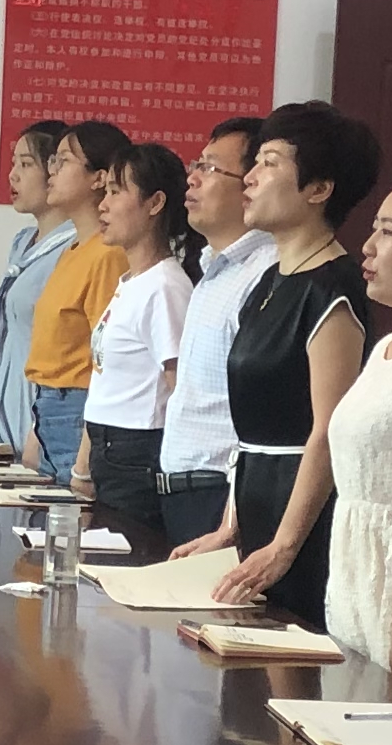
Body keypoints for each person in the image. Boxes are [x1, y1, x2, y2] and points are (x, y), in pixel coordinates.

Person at [234, 168, 392, 693]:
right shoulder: (386, 348)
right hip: (358, 587)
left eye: (389, 232)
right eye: (373, 229)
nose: (368, 248)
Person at [205, 101, 376, 628]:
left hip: (303, 519)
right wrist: (230, 527)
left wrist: (284, 545)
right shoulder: (269, 281)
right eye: (254, 162)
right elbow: (253, 429)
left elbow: (327, 429)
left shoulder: (332, 288)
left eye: (270, 163)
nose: (250, 178)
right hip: (256, 504)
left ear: (318, 189)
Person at [75, 143, 197, 557]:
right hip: (108, 447)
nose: (102, 205)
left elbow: (179, 387)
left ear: (155, 203)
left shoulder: (166, 287)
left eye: (115, 191)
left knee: (127, 563)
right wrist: (82, 466)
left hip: (138, 453)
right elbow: (103, 378)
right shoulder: (131, 281)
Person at [157, 118, 270, 547]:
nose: (193, 178)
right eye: (196, 165)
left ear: (252, 184)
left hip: (220, 495)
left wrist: (230, 521)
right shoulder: (214, 269)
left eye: (210, 168)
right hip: (184, 491)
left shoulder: (265, 274)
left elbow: (260, 415)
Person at [21, 119, 131, 479]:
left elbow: (106, 360)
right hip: (48, 406)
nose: (52, 170)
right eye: (52, 161)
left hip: (78, 412)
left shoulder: (107, 255)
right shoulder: (73, 249)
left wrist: (84, 453)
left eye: (64, 161)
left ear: (98, 178)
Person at [0, 121, 72, 462]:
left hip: (36, 420)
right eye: (13, 163)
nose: (12, 175)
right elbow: (3, 343)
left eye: (26, 164)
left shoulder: (75, 249)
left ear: (55, 171)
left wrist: (38, 433)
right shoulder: (22, 243)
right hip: (0, 414)